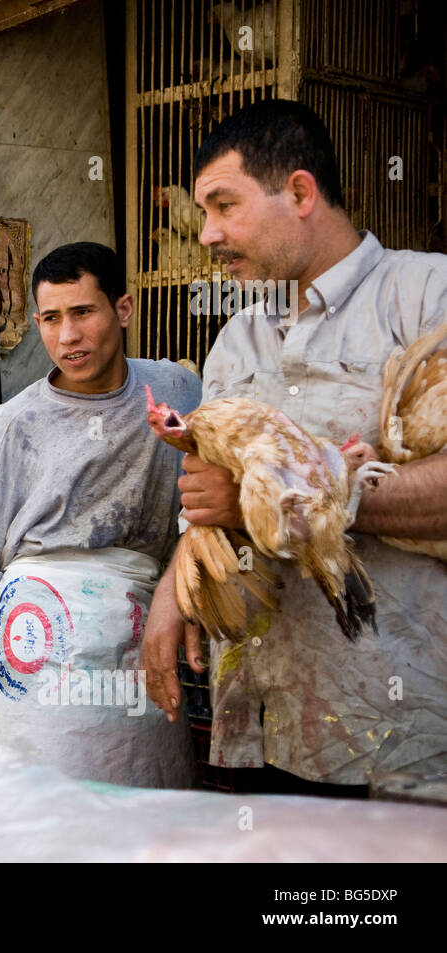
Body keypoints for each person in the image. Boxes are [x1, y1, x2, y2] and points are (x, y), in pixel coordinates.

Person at [141, 98, 447, 793]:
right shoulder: (236, 339)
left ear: (301, 192)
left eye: (225, 206)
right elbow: (208, 507)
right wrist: (171, 593)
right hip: (257, 721)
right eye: (203, 214)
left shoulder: (426, 294)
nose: (209, 234)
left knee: (352, 907)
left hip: (397, 734)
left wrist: (284, 499)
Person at [0, 242, 200, 787]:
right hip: (31, 651)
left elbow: (208, 508)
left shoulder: (177, 391)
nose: (67, 337)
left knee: (145, 818)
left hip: (139, 645)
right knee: (45, 821)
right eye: (51, 319)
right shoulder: (15, 424)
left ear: (123, 310)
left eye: (83, 312)